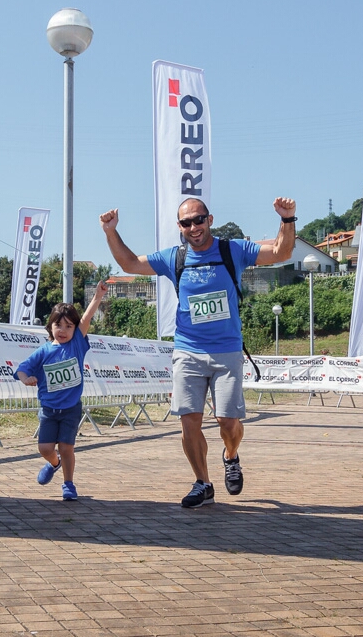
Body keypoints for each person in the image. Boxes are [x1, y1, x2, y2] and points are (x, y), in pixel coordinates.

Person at [100, 196, 297, 508]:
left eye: (199, 219)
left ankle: (231, 454)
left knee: (227, 422)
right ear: (179, 226)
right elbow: (129, 264)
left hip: (227, 351)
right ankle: (203, 483)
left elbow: (280, 252)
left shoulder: (232, 250)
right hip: (188, 350)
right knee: (189, 420)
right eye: (186, 222)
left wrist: (287, 220)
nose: (194, 227)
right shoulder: (174, 258)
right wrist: (110, 231)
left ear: (210, 219)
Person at [13, 280, 108, 501]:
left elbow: (86, 318)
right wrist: (26, 379)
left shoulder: (76, 344)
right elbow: (21, 369)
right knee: (45, 448)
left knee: (67, 448)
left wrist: (97, 297)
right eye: (58, 325)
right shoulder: (43, 351)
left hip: (70, 409)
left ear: (75, 330)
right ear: (50, 327)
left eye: (68, 326)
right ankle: (53, 464)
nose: (63, 330)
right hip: (48, 410)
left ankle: (68, 484)